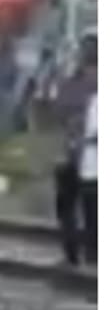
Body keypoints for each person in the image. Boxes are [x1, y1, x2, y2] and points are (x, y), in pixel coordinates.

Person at [55, 46, 97, 267]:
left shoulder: (72, 84)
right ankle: (89, 253)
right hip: (81, 156)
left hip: (76, 154)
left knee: (72, 207)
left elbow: (59, 112)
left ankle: (75, 253)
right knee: (89, 208)